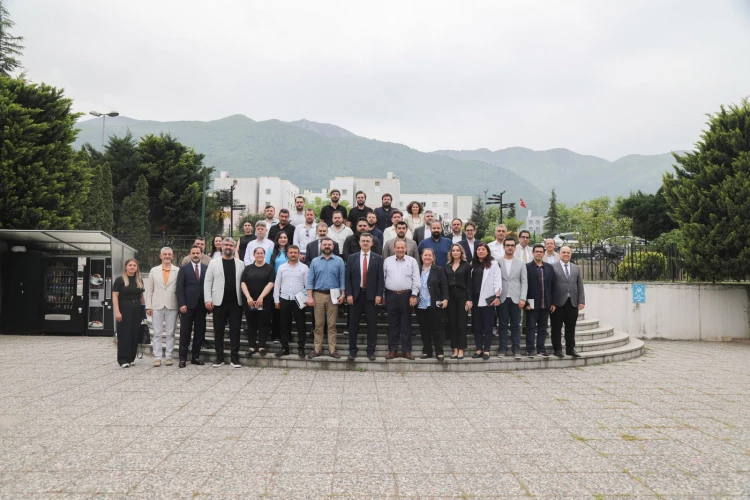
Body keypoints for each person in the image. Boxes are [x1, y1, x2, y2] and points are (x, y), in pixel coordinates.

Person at [204, 237, 245, 367]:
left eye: (231, 245)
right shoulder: (213, 263)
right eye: (226, 244)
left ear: (234, 248)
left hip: (235, 303)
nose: (228, 247)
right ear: (221, 246)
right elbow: (208, 281)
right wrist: (208, 299)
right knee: (218, 331)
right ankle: (219, 358)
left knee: (235, 331)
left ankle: (234, 358)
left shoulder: (240, 264)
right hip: (218, 302)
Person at [344, 233, 384, 361]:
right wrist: (349, 294)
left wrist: (379, 294)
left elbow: (380, 278)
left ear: (372, 243)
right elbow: (347, 278)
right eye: (363, 241)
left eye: (367, 241)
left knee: (372, 325)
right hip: (355, 296)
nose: (365, 243)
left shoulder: (378, 258)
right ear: (359, 243)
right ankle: (352, 351)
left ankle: (371, 351)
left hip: (371, 297)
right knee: (353, 325)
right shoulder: (352, 258)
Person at [305, 237, 345, 358]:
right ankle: (317, 349)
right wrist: (310, 297)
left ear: (333, 246)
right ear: (321, 246)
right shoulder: (315, 261)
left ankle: (332, 350)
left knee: (332, 325)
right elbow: (310, 280)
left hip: (333, 295)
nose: (327, 246)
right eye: (325, 244)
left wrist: (343, 294)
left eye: (329, 244)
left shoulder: (339, 261)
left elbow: (342, 279)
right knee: (318, 324)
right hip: (318, 295)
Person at [382, 240, 420, 360]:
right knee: (392, 324)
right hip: (391, 295)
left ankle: (406, 350)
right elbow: (383, 278)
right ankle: (393, 350)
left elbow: (416, 279)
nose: (400, 250)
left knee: (406, 323)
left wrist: (414, 295)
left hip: (406, 296)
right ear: (394, 249)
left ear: (406, 248)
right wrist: (383, 295)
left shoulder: (412, 261)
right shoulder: (387, 261)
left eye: (402, 247)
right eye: (398, 248)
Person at [145, 247, 180, 367]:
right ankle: (157, 357)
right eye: (165, 254)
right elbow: (149, 290)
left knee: (171, 333)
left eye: (169, 254)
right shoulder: (154, 271)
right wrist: (148, 306)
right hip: (157, 305)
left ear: (172, 256)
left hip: (172, 305)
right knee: (157, 333)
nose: (167, 256)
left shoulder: (177, 271)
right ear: (160, 256)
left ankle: (169, 356)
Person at [274, 245, 309, 358]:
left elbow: (307, 285)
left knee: (301, 325)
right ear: (287, 254)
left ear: (299, 254)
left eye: (295, 252)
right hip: (284, 299)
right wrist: (276, 299)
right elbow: (277, 284)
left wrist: (307, 299)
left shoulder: (304, 268)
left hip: (299, 300)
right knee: (284, 325)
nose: (293, 254)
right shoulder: (281, 267)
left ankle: (301, 348)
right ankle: (285, 348)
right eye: (291, 252)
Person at [176, 245, 208, 367]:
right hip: (187, 306)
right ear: (190, 254)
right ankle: (182, 359)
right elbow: (179, 288)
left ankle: (196, 357)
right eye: (193, 253)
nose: (195, 255)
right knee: (185, 333)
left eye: (197, 253)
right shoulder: (184, 268)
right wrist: (182, 303)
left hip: (201, 306)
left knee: (199, 332)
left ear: (201, 254)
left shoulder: (206, 268)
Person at [550, 246, 585, 358]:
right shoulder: (553, 267)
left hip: (572, 302)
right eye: (564, 252)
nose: (566, 254)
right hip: (558, 303)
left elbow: (580, 285)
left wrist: (581, 301)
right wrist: (552, 302)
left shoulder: (576, 268)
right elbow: (550, 286)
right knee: (556, 327)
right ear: (559, 254)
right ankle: (557, 349)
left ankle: (570, 349)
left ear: (571, 254)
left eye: (568, 253)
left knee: (571, 327)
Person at [241, 247, 275, 357]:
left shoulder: (269, 268)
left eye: (261, 253)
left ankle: (261, 346)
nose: (259, 255)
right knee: (251, 324)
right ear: (254, 255)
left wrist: (261, 297)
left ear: (264, 255)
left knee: (263, 323)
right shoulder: (248, 268)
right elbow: (243, 283)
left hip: (264, 300)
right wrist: (248, 297)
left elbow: (271, 283)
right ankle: (252, 346)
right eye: (257, 253)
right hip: (249, 301)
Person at [497, 237, 528, 359]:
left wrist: (523, 298)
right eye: (507, 245)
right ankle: (502, 349)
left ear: (515, 248)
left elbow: (524, 282)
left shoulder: (520, 262)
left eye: (512, 245)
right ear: (504, 247)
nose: (510, 247)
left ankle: (516, 349)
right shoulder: (497, 262)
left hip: (516, 298)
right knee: (502, 325)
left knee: (515, 325)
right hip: (502, 298)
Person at [471, 242, 502, 361]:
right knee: (477, 326)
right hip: (475, 299)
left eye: (483, 249)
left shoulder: (493, 264)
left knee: (488, 326)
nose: (480, 251)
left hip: (488, 299)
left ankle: (487, 350)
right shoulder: (473, 264)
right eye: (478, 249)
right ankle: (478, 349)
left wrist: (497, 297)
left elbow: (497, 281)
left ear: (487, 251)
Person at [416, 248, 449, 361]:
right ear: (421, 257)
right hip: (421, 304)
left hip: (435, 303)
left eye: (430, 255)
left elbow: (444, 286)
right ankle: (427, 350)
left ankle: (439, 351)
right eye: (425, 255)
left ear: (433, 257)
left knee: (437, 329)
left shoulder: (439, 270)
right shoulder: (417, 270)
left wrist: (445, 299)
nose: (427, 257)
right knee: (424, 329)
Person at [113, 258, 145, 368]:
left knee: (134, 333)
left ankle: (131, 358)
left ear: (137, 268)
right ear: (126, 267)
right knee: (124, 334)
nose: (132, 267)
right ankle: (123, 359)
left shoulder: (139, 280)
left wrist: (143, 311)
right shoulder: (120, 280)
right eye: (130, 265)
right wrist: (117, 312)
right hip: (124, 308)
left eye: (134, 265)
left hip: (137, 309)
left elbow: (141, 297)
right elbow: (115, 297)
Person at [525, 244, 556, 358]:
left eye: (541, 251)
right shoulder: (527, 267)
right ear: (533, 253)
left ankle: (541, 349)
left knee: (543, 328)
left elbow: (553, 286)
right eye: (536, 251)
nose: (538, 253)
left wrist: (553, 302)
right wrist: (525, 302)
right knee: (530, 327)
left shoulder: (549, 267)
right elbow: (524, 285)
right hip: (531, 302)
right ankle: (530, 350)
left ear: (544, 253)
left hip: (545, 302)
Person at [445, 243, 471, 359]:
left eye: (457, 250)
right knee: (452, 324)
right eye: (453, 250)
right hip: (451, 297)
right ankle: (455, 349)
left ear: (461, 252)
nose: (455, 252)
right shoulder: (447, 266)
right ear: (451, 253)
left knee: (461, 324)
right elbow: (445, 284)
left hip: (462, 297)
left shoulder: (466, 266)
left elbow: (469, 284)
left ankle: (461, 349)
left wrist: (469, 300)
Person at [266, 232, 289, 343]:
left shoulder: (290, 251)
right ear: (277, 239)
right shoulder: (271, 252)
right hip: (275, 284)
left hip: (288, 284)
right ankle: (276, 335)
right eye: (281, 237)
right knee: (276, 310)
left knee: (286, 311)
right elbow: (267, 267)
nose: (283, 239)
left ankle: (286, 335)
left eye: (285, 237)